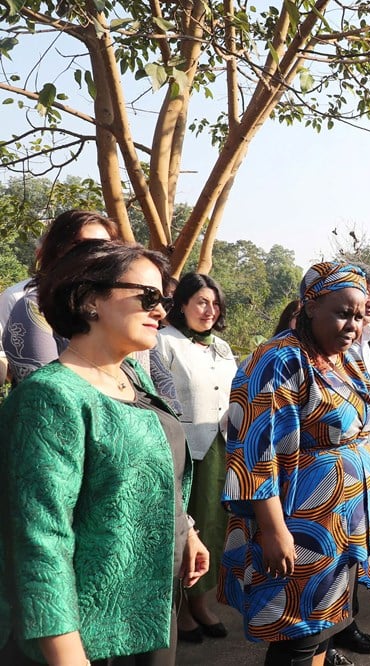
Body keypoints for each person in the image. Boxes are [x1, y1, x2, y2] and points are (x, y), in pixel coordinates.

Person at [0, 239, 209, 665]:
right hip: (88, 630)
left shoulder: (131, 377)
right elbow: (40, 542)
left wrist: (185, 531)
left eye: (164, 299)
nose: (161, 311)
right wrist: (66, 655)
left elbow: (147, 473)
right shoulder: (51, 397)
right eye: (148, 296)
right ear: (90, 298)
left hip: (151, 607)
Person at [219, 262, 370, 665]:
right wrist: (273, 530)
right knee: (296, 633)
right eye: (343, 312)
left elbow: (365, 428)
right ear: (310, 307)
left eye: (360, 314)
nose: (353, 325)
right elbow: (254, 454)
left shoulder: (346, 359)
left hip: (346, 522)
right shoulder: (278, 360)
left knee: (324, 626)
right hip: (301, 524)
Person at [158, 272, 238, 643]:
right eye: (201, 302)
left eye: (214, 303)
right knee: (184, 527)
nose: (209, 310)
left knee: (213, 525)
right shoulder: (164, 342)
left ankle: (201, 602)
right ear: (183, 304)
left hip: (220, 445)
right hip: (185, 448)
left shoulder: (220, 346)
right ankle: (179, 611)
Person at [331, 265, 370, 659]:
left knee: (355, 549)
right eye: (363, 293)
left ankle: (346, 623)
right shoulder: (323, 344)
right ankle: (328, 636)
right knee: (330, 556)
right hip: (327, 473)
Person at [3, 210, 118, 384]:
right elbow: (48, 391)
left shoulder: (122, 305)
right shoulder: (32, 305)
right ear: (56, 249)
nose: (94, 253)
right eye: (80, 244)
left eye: (104, 246)